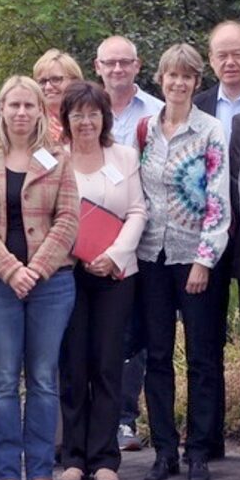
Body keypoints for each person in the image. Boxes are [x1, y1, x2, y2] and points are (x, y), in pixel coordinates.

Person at [0, 76, 79, 480]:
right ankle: (6, 472)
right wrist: (12, 270)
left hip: (52, 285)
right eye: (14, 105)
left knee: (45, 379)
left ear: (39, 111)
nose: (22, 113)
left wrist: (37, 268)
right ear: (2, 110)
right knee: (5, 380)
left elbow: (68, 220)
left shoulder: (57, 159)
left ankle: (42, 470)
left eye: (30, 106)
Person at [136, 43, 231, 480]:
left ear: (196, 82)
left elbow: (218, 201)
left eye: (187, 77)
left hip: (194, 257)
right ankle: (164, 450)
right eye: (172, 76)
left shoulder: (210, 131)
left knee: (202, 356)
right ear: (162, 79)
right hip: (150, 256)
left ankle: (198, 450)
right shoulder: (144, 131)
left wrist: (204, 260)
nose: (178, 83)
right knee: (156, 356)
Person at [57, 81, 147, 480]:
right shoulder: (54, 158)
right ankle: (74, 456)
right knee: (73, 364)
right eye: (78, 114)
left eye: (93, 114)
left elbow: (137, 212)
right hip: (67, 272)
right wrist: (77, 254)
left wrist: (113, 255)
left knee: (108, 364)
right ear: (66, 119)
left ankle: (106, 457)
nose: (86, 121)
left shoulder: (124, 155)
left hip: (115, 274)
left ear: (105, 118)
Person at [191, 20, 240, 462]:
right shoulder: (196, 105)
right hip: (207, 240)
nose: (230, 61)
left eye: (237, 53)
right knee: (205, 341)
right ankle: (207, 438)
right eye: (221, 54)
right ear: (211, 59)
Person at [95, 34, 163, 452]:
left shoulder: (155, 113)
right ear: (97, 66)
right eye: (110, 63)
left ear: (138, 66)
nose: (117, 69)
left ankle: (125, 419)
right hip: (90, 241)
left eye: (125, 62)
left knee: (133, 335)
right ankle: (96, 417)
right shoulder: (85, 108)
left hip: (141, 236)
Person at [34, 49, 85, 144]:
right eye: (42, 82)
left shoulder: (89, 120)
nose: (48, 87)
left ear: (75, 82)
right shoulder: (32, 125)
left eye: (56, 79)